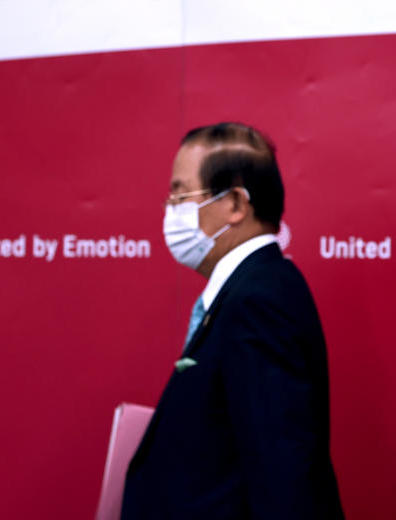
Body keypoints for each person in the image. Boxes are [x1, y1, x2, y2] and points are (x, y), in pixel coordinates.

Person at [122, 123, 344, 520]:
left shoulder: (259, 301)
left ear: (237, 204)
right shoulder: (249, 290)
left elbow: (282, 470)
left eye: (181, 195)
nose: (170, 209)